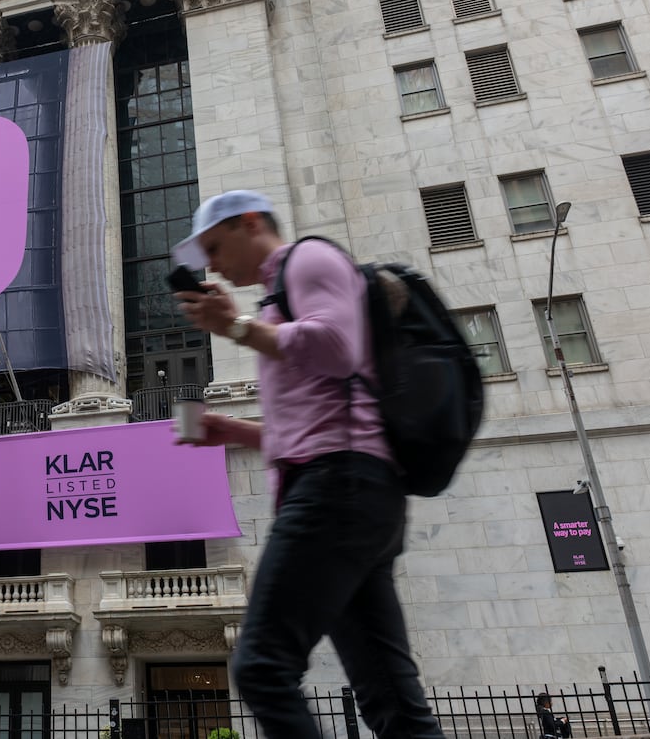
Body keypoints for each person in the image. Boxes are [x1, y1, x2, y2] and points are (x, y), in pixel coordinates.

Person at [172, 190, 445, 739]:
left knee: (261, 667)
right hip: (353, 489)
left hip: (335, 490)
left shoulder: (309, 259)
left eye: (217, 248)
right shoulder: (279, 295)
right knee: (390, 698)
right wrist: (237, 432)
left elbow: (337, 347)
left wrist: (239, 327)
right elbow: (317, 422)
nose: (215, 267)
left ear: (251, 223)